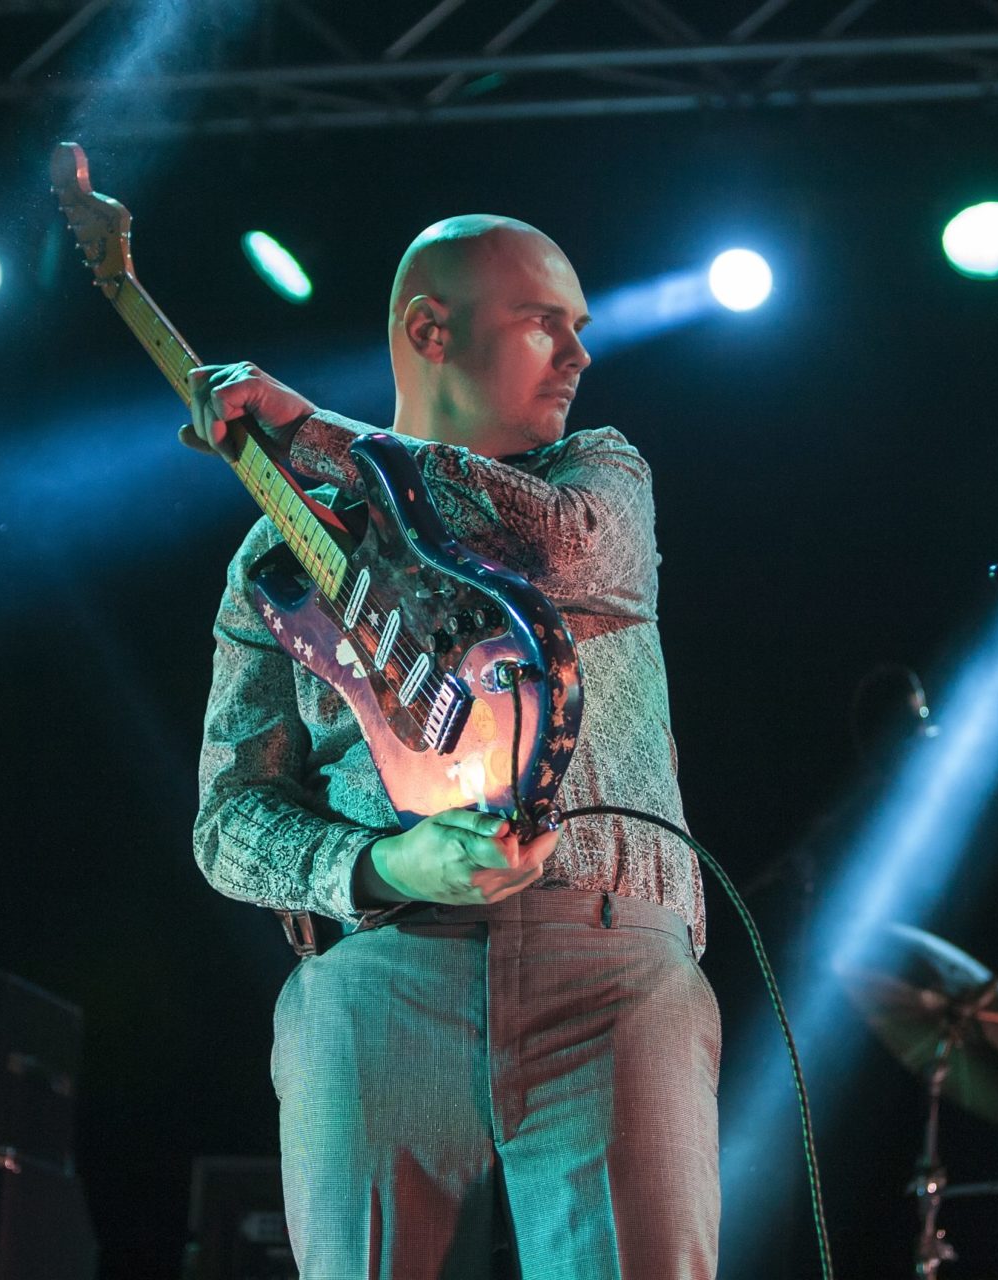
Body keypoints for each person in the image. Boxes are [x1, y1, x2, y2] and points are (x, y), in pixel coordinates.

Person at [185, 215, 719, 1279]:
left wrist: (313, 429)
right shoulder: (276, 548)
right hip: (381, 971)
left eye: (578, 326)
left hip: (607, 960)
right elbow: (227, 821)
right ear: (431, 329)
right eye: (543, 324)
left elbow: (552, 546)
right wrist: (382, 866)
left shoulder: (598, 471)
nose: (580, 353)